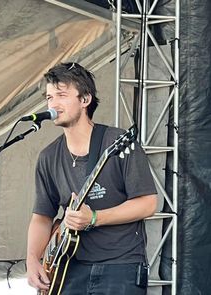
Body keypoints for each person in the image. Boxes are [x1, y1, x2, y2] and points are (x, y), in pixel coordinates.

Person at [26, 62, 157, 295]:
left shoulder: (118, 143)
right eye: (49, 97)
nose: (53, 104)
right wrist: (33, 258)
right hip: (68, 267)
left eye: (61, 95)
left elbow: (148, 204)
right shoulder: (48, 156)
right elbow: (42, 216)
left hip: (120, 264)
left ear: (85, 100)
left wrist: (95, 217)